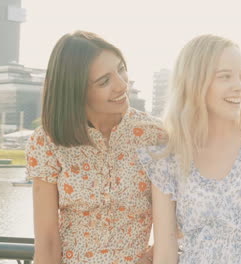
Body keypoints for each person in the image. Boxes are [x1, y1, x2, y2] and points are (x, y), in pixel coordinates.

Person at [137, 34, 241, 264]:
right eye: (225, 77)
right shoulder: (169, 158)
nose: (240, 87)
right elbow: (165, 250)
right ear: (194, 84)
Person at [25, 31, 163, 264]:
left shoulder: (155, 135)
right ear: (76, 90)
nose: (121, 85)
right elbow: (47, 241)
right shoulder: (46, 142)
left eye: (120, 69)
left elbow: (184, 220)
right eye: (104, 81)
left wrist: (151, 257)